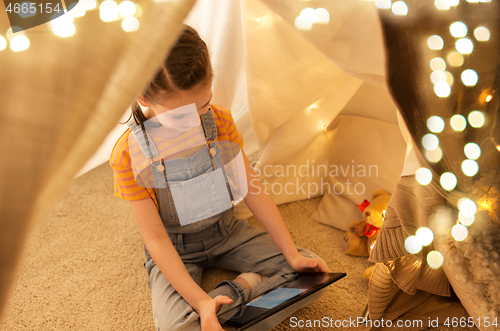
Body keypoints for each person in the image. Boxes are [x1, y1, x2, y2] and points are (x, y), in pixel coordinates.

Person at [109, 24, 329, 331]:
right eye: (180, 115)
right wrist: (200, 301)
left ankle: (234, 293)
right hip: (175, 249)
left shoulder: (220, 122)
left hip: (226, 232)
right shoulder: (128, 155)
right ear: (143, 97)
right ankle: (223, 305)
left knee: (313, 273)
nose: (196, 120)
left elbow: (252, 189)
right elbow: (156, 239)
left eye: (204, 105)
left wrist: (291, 254)